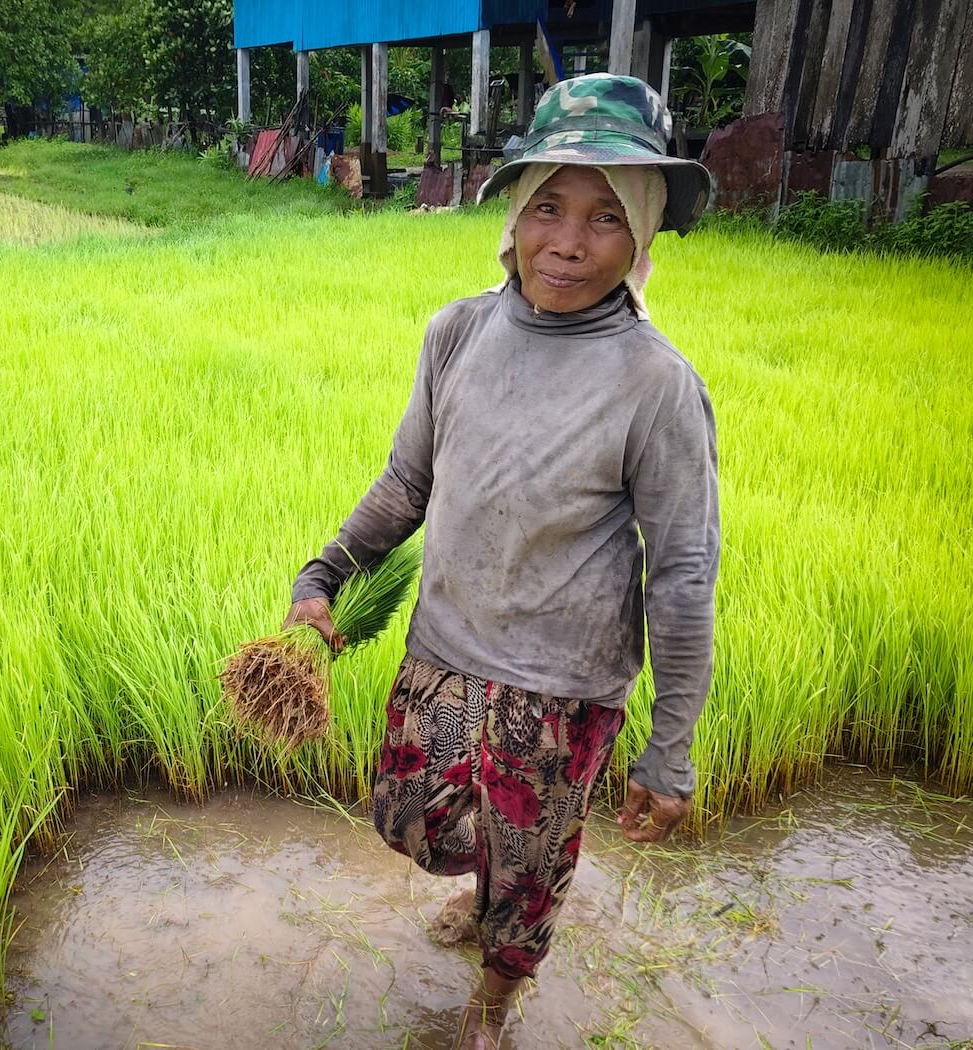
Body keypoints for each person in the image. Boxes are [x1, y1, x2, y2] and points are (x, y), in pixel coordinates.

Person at [283, 74, 720, 1049]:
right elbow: (407, 483)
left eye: (606, 217)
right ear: (516, 212)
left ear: (643, 233)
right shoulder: (458, 334)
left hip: (559, 689)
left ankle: (492, 1005)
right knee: (417, 820)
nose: (567, 240)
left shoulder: (655, 385)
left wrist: (670, 745)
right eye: (548, 207)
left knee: (529, 862)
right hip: (442, 651)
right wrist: (323, 576)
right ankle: (485, 898)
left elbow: (682, 573)